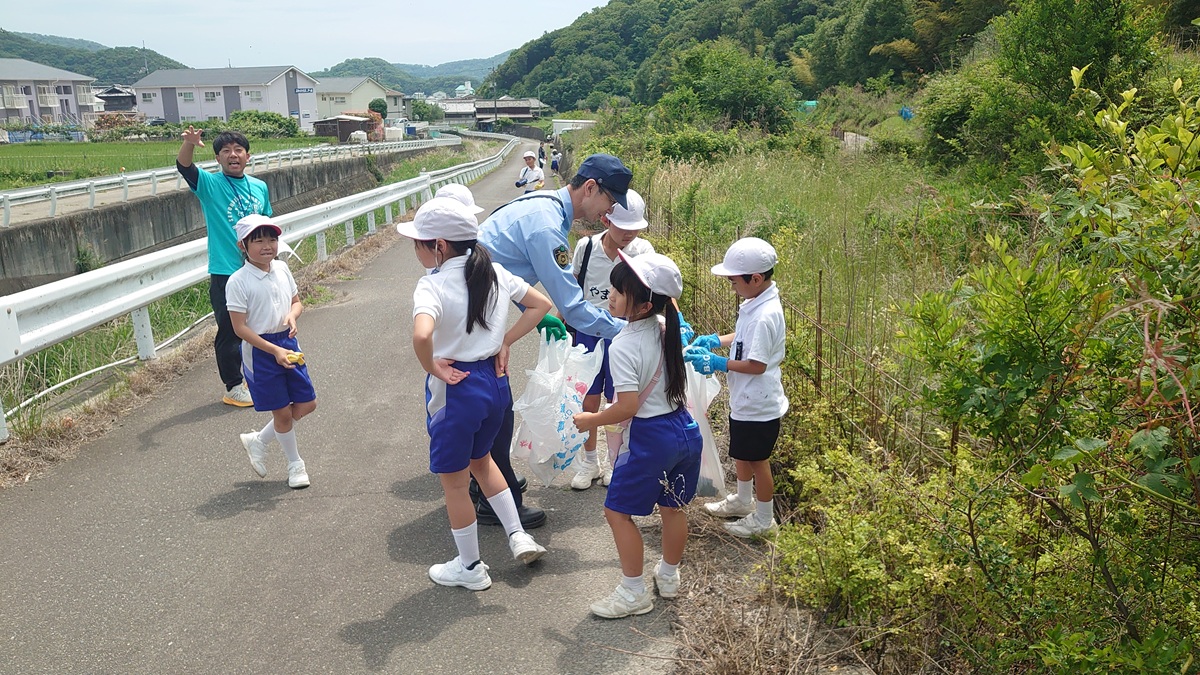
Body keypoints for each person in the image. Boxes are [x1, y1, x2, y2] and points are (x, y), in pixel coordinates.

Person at [398, 197, 553, 590]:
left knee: (454, 481)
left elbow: (421, 335)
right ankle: (517, 534)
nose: (415, 248)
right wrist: (505, 341)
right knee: (482, 462)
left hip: (457, 389)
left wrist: (432, 365)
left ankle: (470, 568)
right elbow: (540, 305)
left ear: (439, 245)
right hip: (495, 384)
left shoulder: (432, 283)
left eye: (418, 241)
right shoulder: (496, 271)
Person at [474, 153, 634, 529]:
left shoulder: (543, 206)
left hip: (476, 305)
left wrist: (533, 309)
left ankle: (487, 481)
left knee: (489, 400)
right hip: (475, 316)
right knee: (492, 403)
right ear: (591, 188)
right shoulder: (547, 226)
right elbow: (575, 308)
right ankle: (495, 499)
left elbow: (506, 267)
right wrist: (628, 330)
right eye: (609, 202)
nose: (608, 212)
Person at [572, 252, 702, 619]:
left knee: (616, 512)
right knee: (672, 508)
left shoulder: (625, 345)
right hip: (685, 430)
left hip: (651, 437)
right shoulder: (668, 326)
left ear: (644, 304)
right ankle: (669, 575)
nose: (610, 295)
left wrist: (591, 419)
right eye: (612, 287)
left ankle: (633, 592)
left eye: (619, 291)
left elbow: (627, 406)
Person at [684, 237, 788, 537]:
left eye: (734, 281)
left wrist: (718, 363)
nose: (731, 286)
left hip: (759, 404)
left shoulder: (766, 316)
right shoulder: (755, 302)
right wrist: (718, 340)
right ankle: (743, 501)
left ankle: (764, 520)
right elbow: (743, 337)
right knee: (742, 453)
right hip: (746, 399)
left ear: (756, 278)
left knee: (757, 461)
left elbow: (756, 365)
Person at [177, 126, 272, 408]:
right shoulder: (210, 185)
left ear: (248, 156)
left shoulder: (259, 186)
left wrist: (271, 261)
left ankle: (257, 377)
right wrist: (190, 144)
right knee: (231, 331)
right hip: (226, 271)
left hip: (257, 268)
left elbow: (266, 225)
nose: (233, 155)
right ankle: (233, 386)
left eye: (238, 150)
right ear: (218, 158)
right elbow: (184, 166)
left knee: (262, 326)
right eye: (226, 151)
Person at [568, 188, 655, 491]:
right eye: (623, 227)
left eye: (635, 228)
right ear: (606, 220)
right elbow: (572, 288)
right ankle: (589, 461)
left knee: (618, 401)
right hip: (589, 333)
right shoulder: (586, 248)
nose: (630, 234)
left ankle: (616, 460)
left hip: (626, 336)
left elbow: (655, 295)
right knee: (588, 398)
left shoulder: (643, 252)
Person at [227, 214, 316, 490]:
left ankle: (260, 440)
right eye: (259, 240)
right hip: (261, 351)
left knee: (307, 403)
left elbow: (297, 302)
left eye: (272, 239)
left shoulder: (282, 269)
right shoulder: (238, 281)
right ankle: (295, 464)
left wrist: (292, 316)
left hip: (288, 346)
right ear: (243, 244)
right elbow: (240, 328)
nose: (267, 246)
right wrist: (273, 349)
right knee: (282, 412)